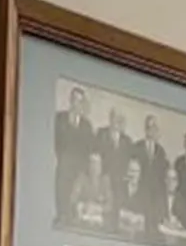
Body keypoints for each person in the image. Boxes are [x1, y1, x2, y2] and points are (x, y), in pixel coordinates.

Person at [54, 87, 96, 223]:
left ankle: (72, 219)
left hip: (79, 171)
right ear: (70, 101)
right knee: (61, 198)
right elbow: (55, 142)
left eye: (80, 101)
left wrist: (83, 171)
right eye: (75, 100)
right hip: (63, 166)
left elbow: (89, 150)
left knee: (75, 204)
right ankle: (62, 217)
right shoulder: (59, 118)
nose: (77, 104)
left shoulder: (87, 125)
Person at [154, 164, 186, 246]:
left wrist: (178, 224)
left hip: (177, 236)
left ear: (177, 183)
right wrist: (164, 221)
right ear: (165, 180)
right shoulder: (158, 198)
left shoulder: (182, 201)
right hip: (162, 236)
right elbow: (155, 216)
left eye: (174, 179)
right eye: (168, 179)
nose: (171, 182)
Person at [70, 150, 113, 229]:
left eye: (97, 163)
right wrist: (83, 206)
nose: (94, 167)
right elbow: (73, 198)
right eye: (92, 163)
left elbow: (110, 204)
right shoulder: (82, 178)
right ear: (88, 165)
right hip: (83, 219)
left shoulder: (105, 180)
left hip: (100, 221)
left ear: (101, 165)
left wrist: (98, 209)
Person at [95, 107, 132, 186]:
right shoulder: (101, 134)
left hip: (119, 183)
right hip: (102, 181)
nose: (119, 122)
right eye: (117, 118)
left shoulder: (127, 141)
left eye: (121, 119)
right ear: (111, 118)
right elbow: (96, 157)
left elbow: (127, 163)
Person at [114, 156, 148, 241]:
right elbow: (116, 206)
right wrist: (125, 215)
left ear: (140, 173)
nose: (133, 174)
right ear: (127, 171)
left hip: (138, 231)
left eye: (136, 171)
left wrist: (137, 218)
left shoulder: (144, 191)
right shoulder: (120, 186)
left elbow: (146, 212)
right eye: (131, 170)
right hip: (120, 228)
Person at [136, 114, 168, 190]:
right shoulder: (136, 147)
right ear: (145, 129)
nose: (151, 130)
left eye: (154, 127)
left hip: (155, 191)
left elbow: (162, 174)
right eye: (149, 127)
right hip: (140, 190)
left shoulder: (161, 151)